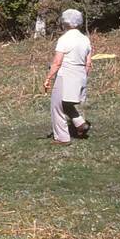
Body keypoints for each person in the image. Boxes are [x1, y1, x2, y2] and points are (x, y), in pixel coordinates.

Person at [43, 9, 92, 145]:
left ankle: (62, 137)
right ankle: (80, 123)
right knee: (66, 103)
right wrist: (83, 77)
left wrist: (48, 78)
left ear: (65, 22)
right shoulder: (85, 39)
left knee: (56, 106)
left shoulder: (64, 39)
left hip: (65, 76)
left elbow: (57, 62)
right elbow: (88, 63)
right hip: (80, 75)